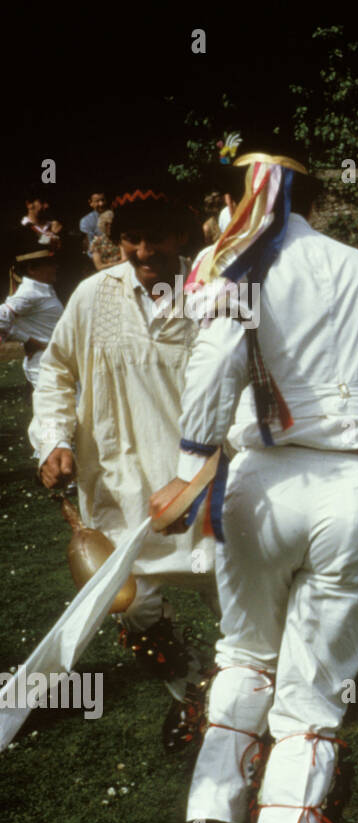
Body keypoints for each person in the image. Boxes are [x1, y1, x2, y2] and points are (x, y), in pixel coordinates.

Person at [151, 137, 358, 823]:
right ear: (316, 199)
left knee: (245, 656)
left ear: (245, 197)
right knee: (313, 696)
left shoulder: (240, 269)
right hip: (352, 488)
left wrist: (190, 466)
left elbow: (216, 361)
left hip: (260, 484)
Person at [29, 184, 213, 753]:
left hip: (199, 486)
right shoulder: (91, 296)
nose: (141, 250)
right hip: (117, 482)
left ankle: (247, 711)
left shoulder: (212, 297)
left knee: (236, 602)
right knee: (134, 608)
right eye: (130, 238)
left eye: (153, 236)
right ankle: (192, 698)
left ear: (179, 237)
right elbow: (56, 373)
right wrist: (55, 442)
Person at [0, 231, 62, 390]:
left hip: (56, 362)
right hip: (44, 366)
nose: (56, 266)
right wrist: (27, 339)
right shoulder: (29, 293)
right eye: (49, 263)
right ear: (31, 269)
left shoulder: (42, 290)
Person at [78, 192, 108, 257]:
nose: (101, 204)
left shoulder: (114, 215)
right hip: (97, 255)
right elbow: (89, 243)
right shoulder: (86, 221)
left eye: (103, 200)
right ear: (91, 203)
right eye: (97, 201)